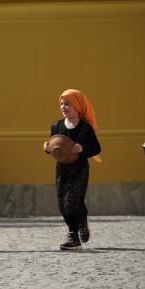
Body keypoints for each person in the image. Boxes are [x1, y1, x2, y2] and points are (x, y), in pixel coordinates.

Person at [43, 89, 101, 250]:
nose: (63, 107)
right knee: (63, 203)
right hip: (62, 169)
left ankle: (73, 238)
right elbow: (54, 146)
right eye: (61, 104)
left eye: (67, 103)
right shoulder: (56, 126)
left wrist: (82, 149)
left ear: (77, 105)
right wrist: (46, 147)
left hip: (80, 169)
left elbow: (96, 148)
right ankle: (82, 221)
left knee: (72, 203)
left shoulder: (85, 128)